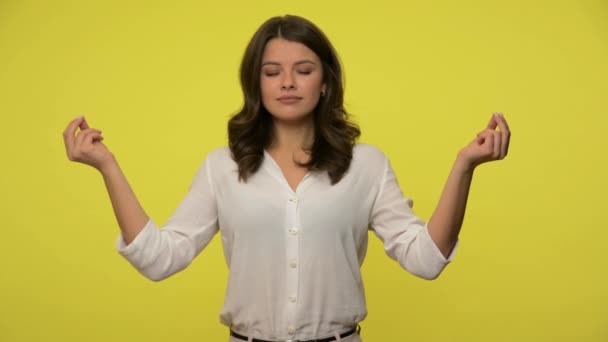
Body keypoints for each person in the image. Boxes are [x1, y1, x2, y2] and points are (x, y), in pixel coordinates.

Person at [63, 14, 510, 342]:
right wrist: (108, 166)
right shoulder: (222, 167)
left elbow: (426, 259)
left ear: (325, 83)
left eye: (304, 70)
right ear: (255, 84)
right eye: (272, 72)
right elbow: (160, 259)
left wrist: (463, 166)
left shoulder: (367, 166)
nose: (288, 83)